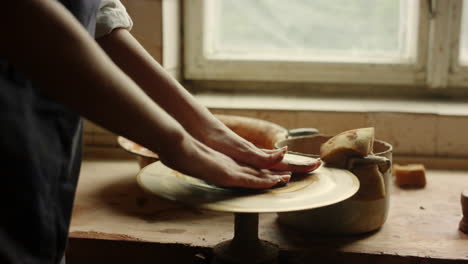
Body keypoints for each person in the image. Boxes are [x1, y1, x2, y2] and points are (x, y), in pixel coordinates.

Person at [0, 0, 321, 263]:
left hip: (43, 150)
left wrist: (208, 130)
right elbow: (23, 17)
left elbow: (95, 20)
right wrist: (178, 144)